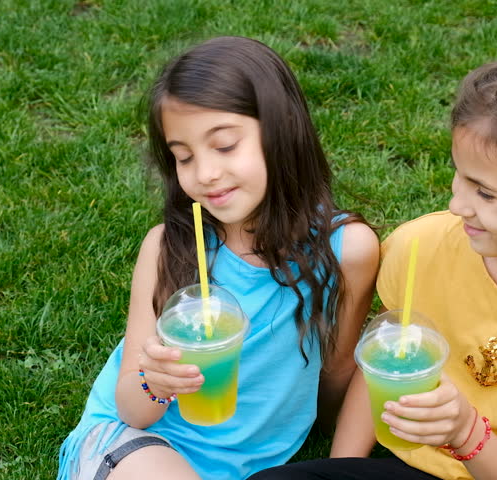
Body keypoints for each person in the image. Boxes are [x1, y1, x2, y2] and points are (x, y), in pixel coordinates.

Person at [250, 50, 497, 480]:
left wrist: (464, 431)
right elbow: (381, 369)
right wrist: (341, 470)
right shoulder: (420, 248)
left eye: (485, 193)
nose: (456, 205)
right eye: (459, 175)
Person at [57, 36, 379, 480]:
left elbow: (338, 366)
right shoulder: (168, 248)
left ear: (283, 131)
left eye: (225, 145)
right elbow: (131, 408)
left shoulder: (348, 250)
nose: (205, 174)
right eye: (184, 157)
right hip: (139, 444)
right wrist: (155, 382)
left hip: (251, 465)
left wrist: (334, 452)